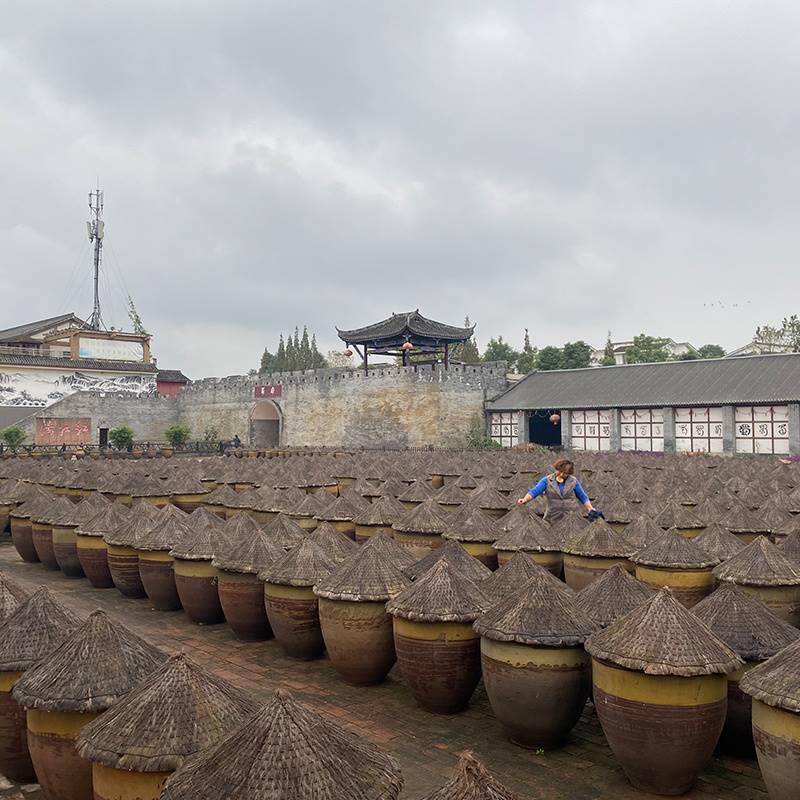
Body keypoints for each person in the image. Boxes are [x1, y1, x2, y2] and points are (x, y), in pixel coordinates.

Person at [517, 458, 597, 523]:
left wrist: (590, 508)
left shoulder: (573, 481)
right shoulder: (547, 480)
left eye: (565, 473)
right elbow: (535, 491)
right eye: (560, 471)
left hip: (571, 517)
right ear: (557, 469)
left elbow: (582, 496)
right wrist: (525, 500)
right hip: (552, 516)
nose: (562, 474)